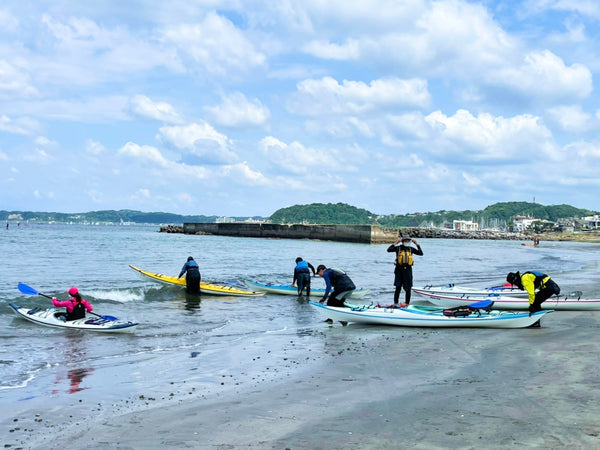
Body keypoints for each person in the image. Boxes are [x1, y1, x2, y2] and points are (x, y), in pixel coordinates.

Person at [387, 235, 423, 306]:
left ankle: (407, 303)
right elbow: (389, 250)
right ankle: (396, 303)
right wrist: (396, 242)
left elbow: (421, 253)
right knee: (398, 288)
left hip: (408, 271)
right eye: (405, 241)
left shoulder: (411, 249)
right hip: (399, 270)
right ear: (402, 241)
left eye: (408, 241)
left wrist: (417, 244)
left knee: (408, 288)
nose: (407, 242)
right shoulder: (398, 248)